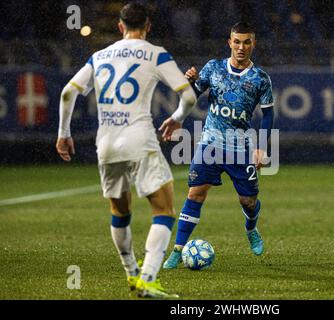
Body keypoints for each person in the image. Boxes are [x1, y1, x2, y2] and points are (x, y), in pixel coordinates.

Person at [56, 2, 197, 298]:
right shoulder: (155, 53)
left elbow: (68, 92)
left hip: (106, 142)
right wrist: (177, 119)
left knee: (120, 211)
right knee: (165, 210)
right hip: (139, 139)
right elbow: (188, 95)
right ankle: (147, 278)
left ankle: (132, 273)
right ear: (148, 26)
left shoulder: (99, 56)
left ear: (120, 27)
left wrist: (63, 133)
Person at [162, 22, 275, 269]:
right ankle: (178, 250)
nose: (241, 47)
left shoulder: (260, 78)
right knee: (195, 193)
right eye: (237, 41)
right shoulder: (213, 68)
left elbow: (267, 115)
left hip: (241, 148)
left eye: (246, 42)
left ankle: (251, 228)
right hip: (210, 144)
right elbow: (191, 95)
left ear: (253, 44)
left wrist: (261, 147)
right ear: (229, 42)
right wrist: (188, 82)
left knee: (248, 201)